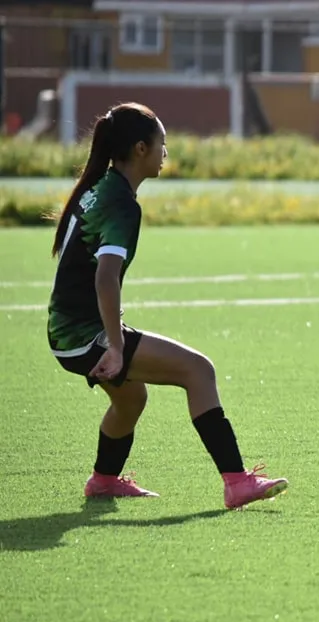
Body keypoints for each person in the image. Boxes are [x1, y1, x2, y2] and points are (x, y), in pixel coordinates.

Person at [47, 102, 289, 509]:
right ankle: (237, 482)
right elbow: (104, 277)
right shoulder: (122, 204)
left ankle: (103, 480)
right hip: (81, 335)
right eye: (163, 143)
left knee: (131, 398)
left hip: (64, 330)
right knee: (199, 370)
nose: (166, 152)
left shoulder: (99, 188)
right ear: (141, 148)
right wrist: (116, 346)